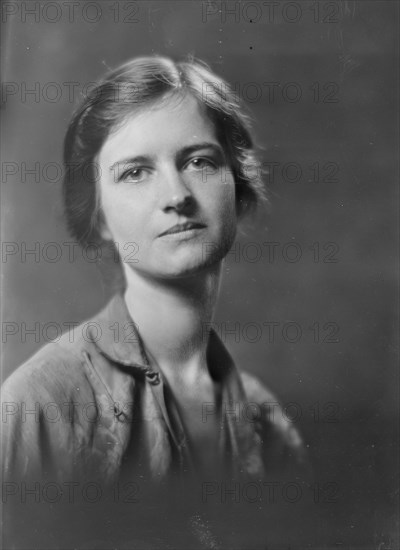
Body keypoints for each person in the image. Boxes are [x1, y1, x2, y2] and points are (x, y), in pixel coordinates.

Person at [1, 56, 309, 549]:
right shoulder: (38, 406)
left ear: (238, 181)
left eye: (199, 161)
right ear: (98, 217)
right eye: (135, 173)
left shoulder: (267, 423)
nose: (176, 195)